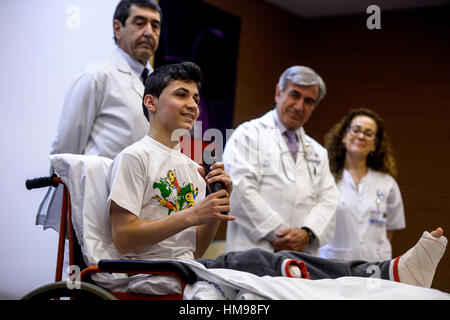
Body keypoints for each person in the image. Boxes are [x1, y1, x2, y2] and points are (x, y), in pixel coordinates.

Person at [107, 61, 447, 290]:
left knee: (304, 273)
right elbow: (124, 239)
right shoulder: (136, 156)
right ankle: (384, 274)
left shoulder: (192, 167)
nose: (194, 104)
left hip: (197, 265)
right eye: (182, 95)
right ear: (278, 93)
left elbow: (194, 248)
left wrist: (213, 210)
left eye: (196, 97)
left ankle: (381, 275)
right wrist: (200, 214)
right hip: (175, 267)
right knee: (263, 260)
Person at [36, 0, 162, 231]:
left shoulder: (161, 85)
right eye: (140, 22)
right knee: (89, 267)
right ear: (117, 28)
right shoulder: (95, 76)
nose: (148, 32)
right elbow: (65, 151)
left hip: (143, 212)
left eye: (155, 25)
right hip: (96, 208)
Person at [222, 65, 339, 256]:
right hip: (254, 253)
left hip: (302, 256)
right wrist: (280, 235)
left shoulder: (318, 152)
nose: (300, 106)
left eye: (309, 101)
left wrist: (306, 234)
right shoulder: (247, 135)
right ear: (279, 92)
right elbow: (240, 190)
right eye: (294, 95)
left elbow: (329, 199)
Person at [320, 108, 406, 261]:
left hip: (375, 268)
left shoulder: (387, 183)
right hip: (333, 265)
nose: (361, 136)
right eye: (356, 130)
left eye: (368, 133)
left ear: (375, 145)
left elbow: (389, 230)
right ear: (344, 137)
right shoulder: (325, 178)